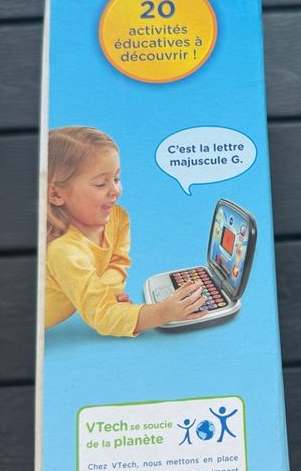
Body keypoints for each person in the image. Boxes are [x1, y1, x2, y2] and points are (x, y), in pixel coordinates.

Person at [45, 126, 205, 336]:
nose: (115, 190)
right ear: (55, 194)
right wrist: (163, 312)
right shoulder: (64, 251)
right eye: (100, 183)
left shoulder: (117, 218)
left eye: (116, 178)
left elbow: (117, 262)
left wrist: (110, 293)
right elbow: (103, 315)